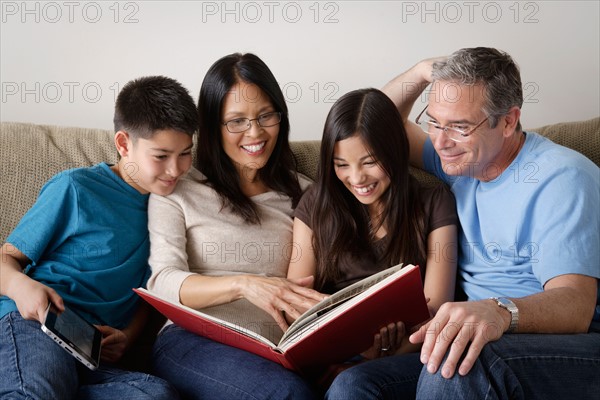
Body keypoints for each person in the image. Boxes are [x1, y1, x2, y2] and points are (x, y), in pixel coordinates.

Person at [379, 47, 600, 399]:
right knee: (357, 383)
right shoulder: (462, 163)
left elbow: (575, 305)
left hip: (570, 344)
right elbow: (377, 122)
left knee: (458, 369)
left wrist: (497, 311)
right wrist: (422, 71)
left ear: (509, 121)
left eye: (459, 127)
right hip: (482, 339)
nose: (440, 141)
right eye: (433, 122)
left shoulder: (561, 178)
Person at [0, 75, 198, 399]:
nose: (175, 170)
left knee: (157, 395)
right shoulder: (76, 188)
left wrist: (128, 336)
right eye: (161, 156)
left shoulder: (173, 209)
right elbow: (6, 256)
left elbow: (153, 289)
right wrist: (20, 287)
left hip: (89, 355)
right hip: (33, 326)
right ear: (123, 144)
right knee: (36, 390)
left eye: (185, 153)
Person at [147, 53, 325, 400]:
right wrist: (245, 285)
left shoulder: (305, 194)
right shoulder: (178, 189)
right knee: (287, 395)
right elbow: (162, 282)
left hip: (276, 352)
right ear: (213, 126)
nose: (255, 132)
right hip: (192, 341)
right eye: (237, 121)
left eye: (265, 116)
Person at [286, 88, 458, 397]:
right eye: (341, 164)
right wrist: (359, 350)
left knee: (351, 386)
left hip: (412, 350)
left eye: (369, 162)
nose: (357, 178)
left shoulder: (434, 203)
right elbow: (295, 303)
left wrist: (387, 354)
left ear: (394, 151)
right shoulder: (316, 202)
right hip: (334, 351)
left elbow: (435, 307)